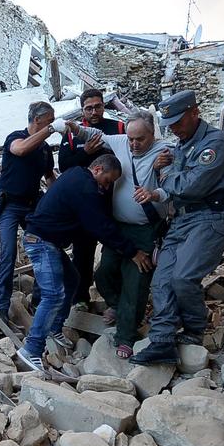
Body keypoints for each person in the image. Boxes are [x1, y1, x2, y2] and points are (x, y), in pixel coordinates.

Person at [16, 152, 153, 373]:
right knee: (53, 295)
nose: (107, 188)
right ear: (98, 170)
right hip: (41, 242)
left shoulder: (76, 174)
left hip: (47, 240)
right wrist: (132, 252)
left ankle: (54, 326)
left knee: (72, 279)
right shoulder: (86, 187)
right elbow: (100, 226)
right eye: (108, 181)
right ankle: (31, 349)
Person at [130, 90, 224, 366]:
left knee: (184, 277)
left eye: (179, 122)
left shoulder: (215, 142)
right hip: (180, 219)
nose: (175, 129)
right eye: (171, 125)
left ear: (194, 112)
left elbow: (191, 185)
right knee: (162, 279)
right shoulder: (180, 147)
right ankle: (162, 340)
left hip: (210, 217)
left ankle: (194, 329)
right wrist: (163, 173)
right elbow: (174, 188)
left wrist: (165, 174)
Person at [83, 110, 172, 358]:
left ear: (152, 135)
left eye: (140, 139)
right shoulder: (121, 141)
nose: (133, 144)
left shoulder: (167, 151)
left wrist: (158, 173)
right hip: (119, 228)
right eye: (131, 138)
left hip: (146, 230)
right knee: (104, 273)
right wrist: (68, 127)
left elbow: (176, 184)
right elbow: (93, 134)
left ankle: (126, 336)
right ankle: (121, 307)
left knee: (136, 281)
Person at [58, 88, 126, 311]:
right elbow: (65, 166)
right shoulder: (71, 134)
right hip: (85, 205)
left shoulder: (117, 128)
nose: (94, 111)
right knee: (83, 253)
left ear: (104, 106)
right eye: (89, 108)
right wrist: (85, 151)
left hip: (114, 202)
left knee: (114, 251)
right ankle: (81, 298)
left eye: (98, 106)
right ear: (82, 109)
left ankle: (116, 300)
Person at [0, 101, 57, 324]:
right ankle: (1, 306)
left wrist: (57, 196)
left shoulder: (45, 149)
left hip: (32, 205)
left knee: (43, 249)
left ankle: (38, 301)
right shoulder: (15, 137)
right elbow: (20, 149)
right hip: (9, 205)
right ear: (37, 120)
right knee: (8, 254)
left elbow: (49, 176)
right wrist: (50, 131)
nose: (52, 124)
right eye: (49, 120)